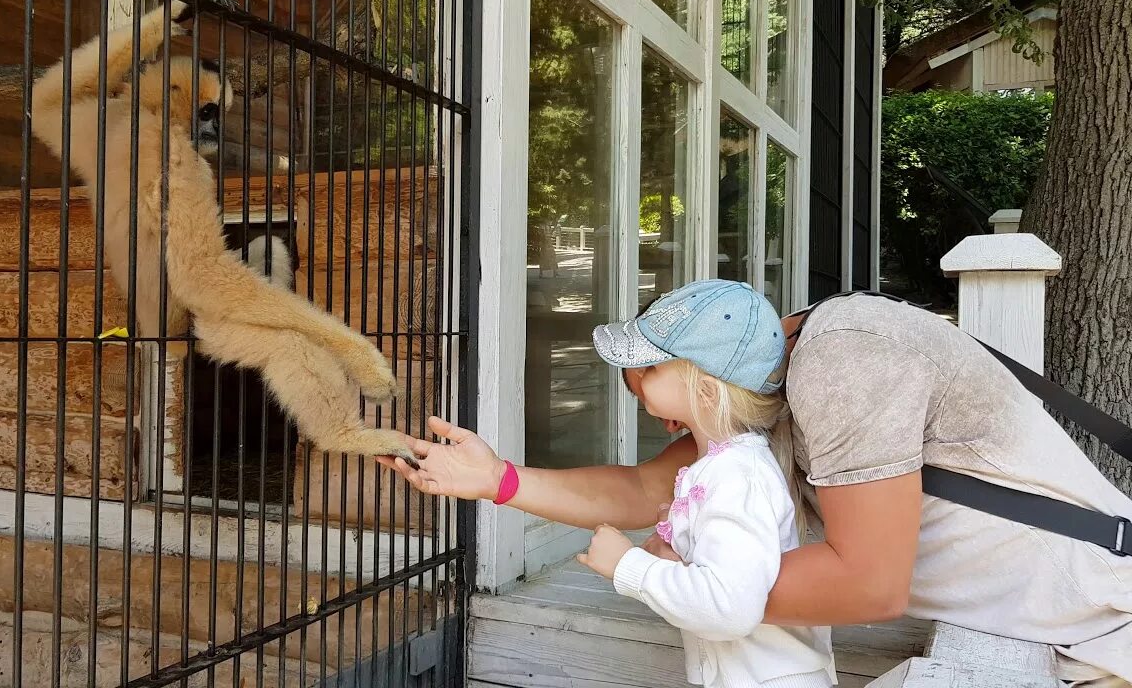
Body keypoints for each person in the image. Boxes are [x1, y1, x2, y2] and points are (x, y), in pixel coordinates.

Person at [383, 280, 1132, 687]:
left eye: (645, 369)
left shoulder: (844, 366)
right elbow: (648, 493)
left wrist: (668, 577)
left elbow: (869, 586)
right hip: (1017, 611)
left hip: (1090, 615)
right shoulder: (756, 400)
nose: (633, 390)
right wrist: (496, 479)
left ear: (706, 381)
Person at [576, 280, 835, 687]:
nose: (639, 376)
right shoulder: (725, 465)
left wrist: (629, 566)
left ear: (706, 391)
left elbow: (730, 608)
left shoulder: (737, 475)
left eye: (654, 367)